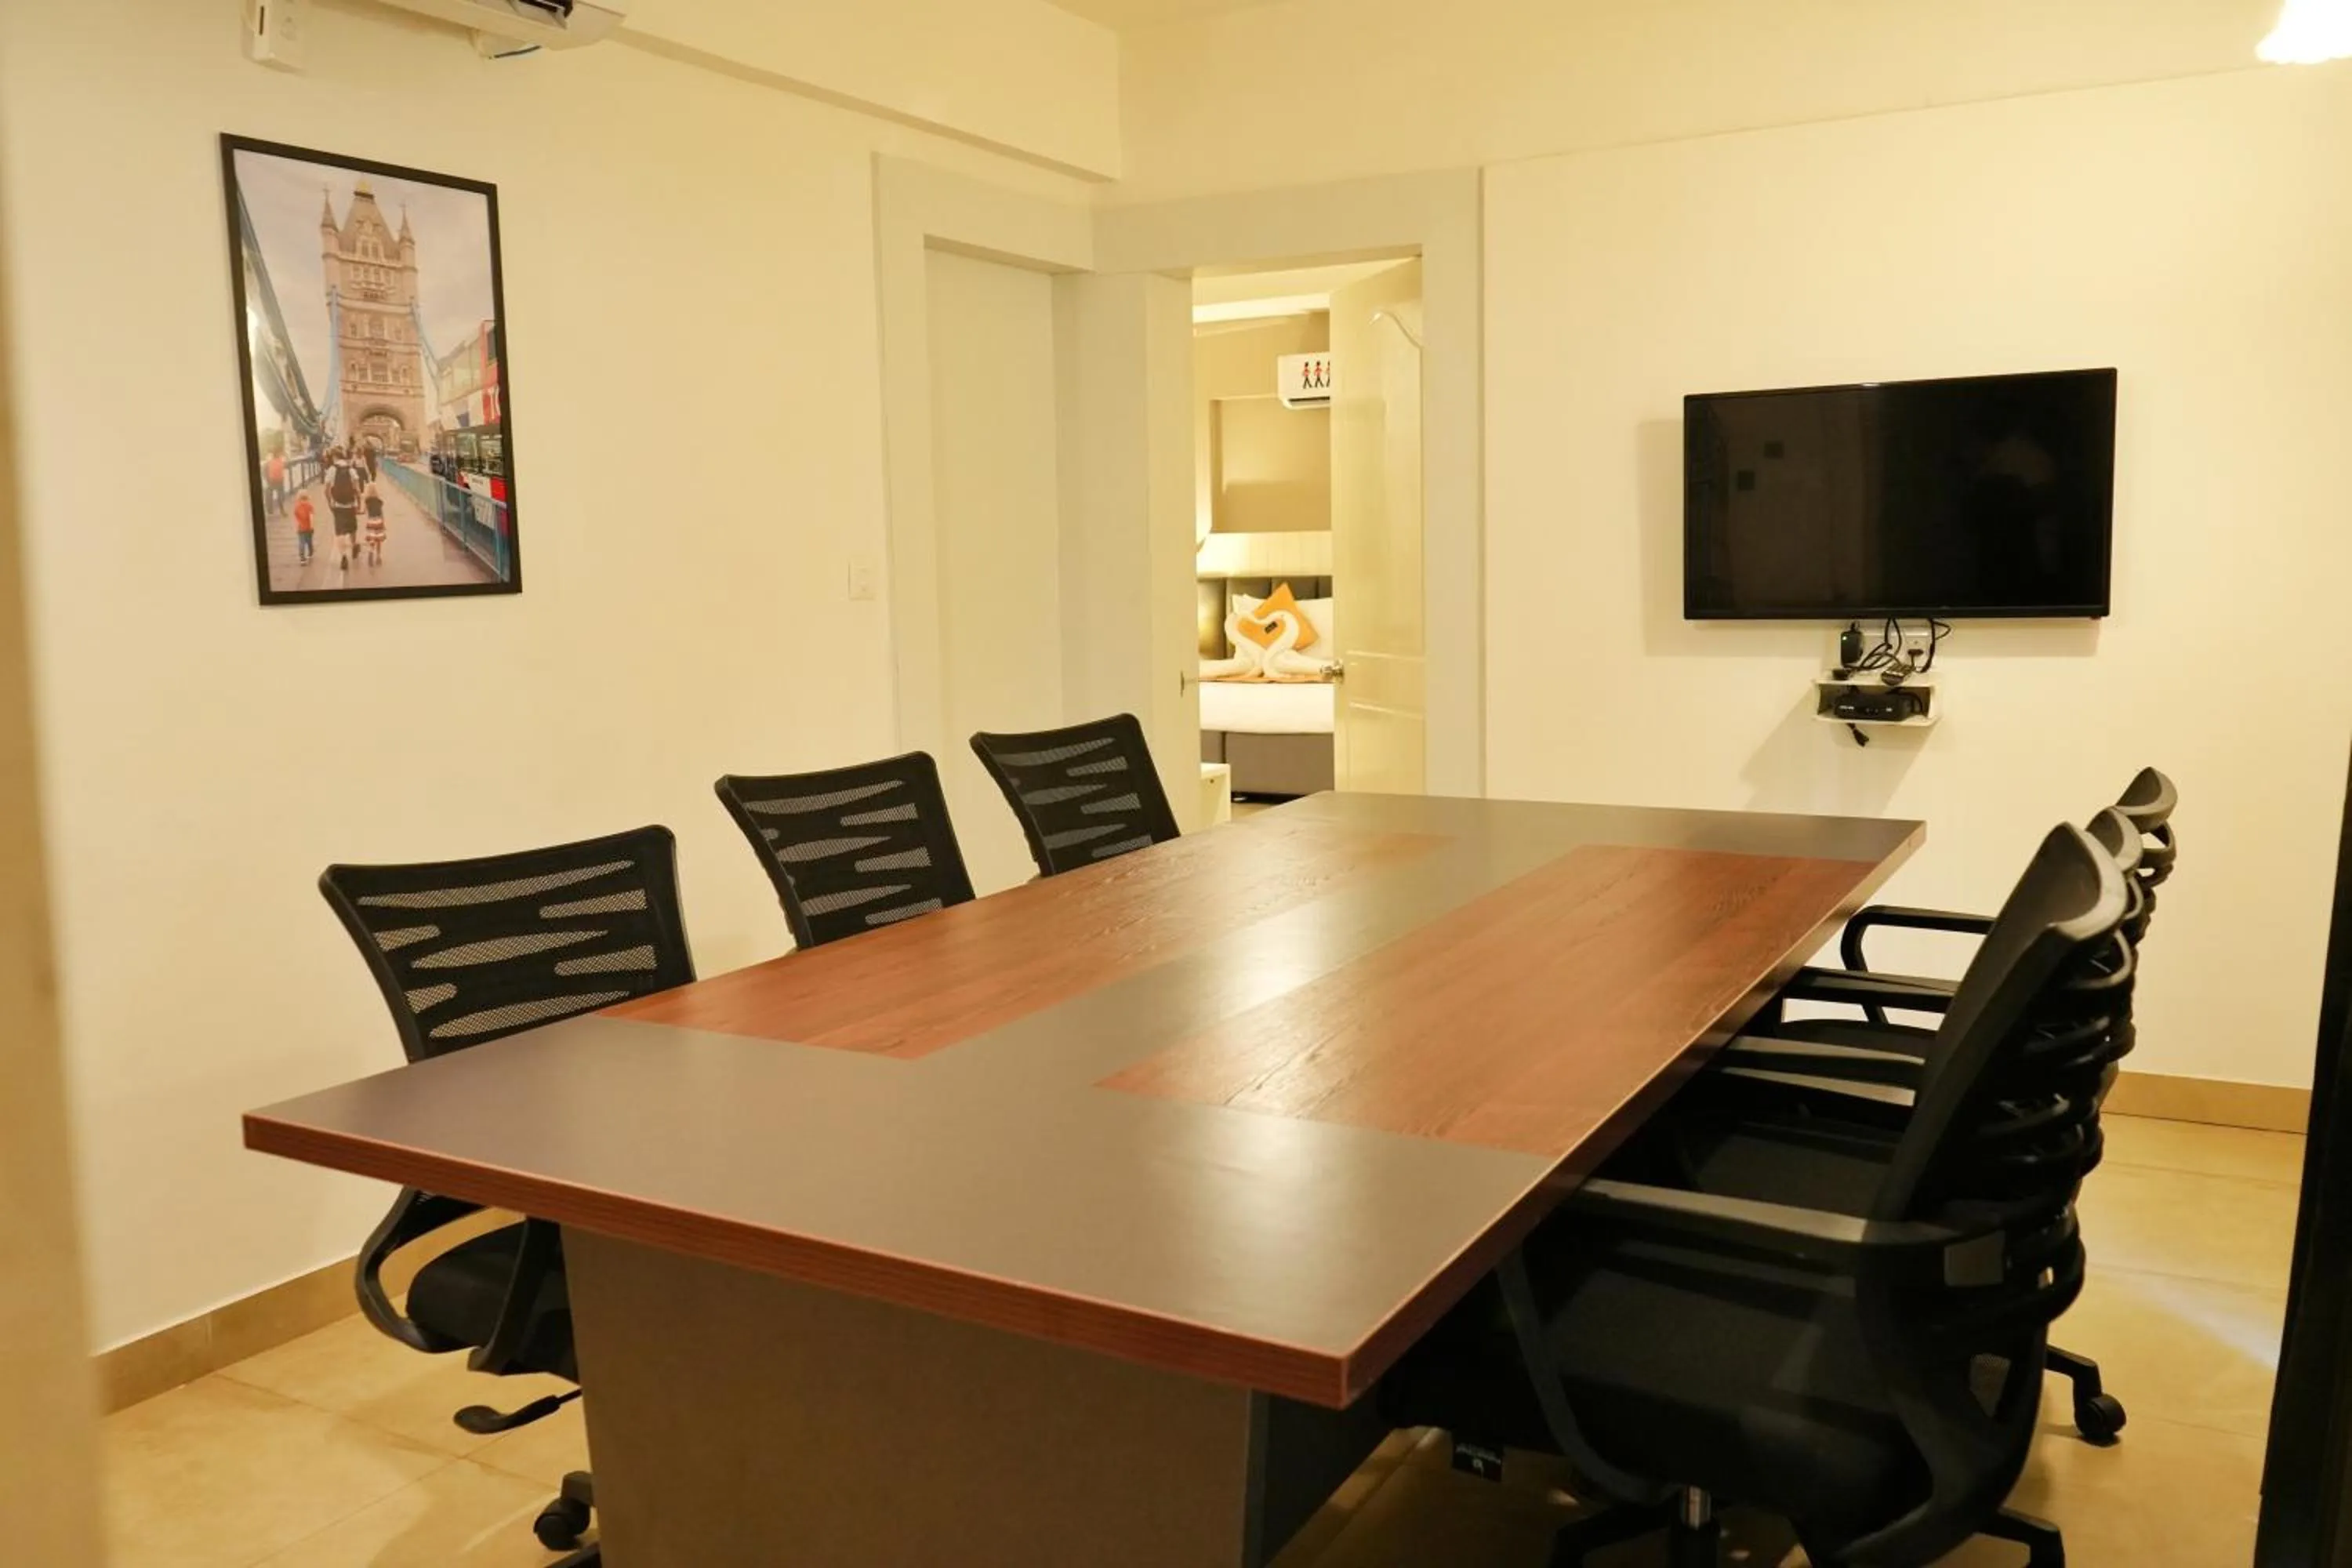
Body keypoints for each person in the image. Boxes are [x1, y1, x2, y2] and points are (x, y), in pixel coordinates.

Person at [323, 447, 365, 573]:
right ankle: (354, 544)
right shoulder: (351, 469)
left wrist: (330, 503)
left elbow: (326, 490)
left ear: (335, 457)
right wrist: (359, 503)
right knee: (352, 528)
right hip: (351, 504)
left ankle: (343, 556)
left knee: (340, 532)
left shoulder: (332, 470)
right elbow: (357, 490)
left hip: (338, 505)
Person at [362, 482, 387, 566]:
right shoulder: (379, 501)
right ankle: (378, 556)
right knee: (379, 540)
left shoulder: (367, 501)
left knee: (372, 539)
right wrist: (383, 523)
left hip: (371, 521)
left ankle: (371, 551)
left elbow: (364, 511)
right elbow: (381, 513)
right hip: (379, 521)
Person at [292, 489, 315, 565]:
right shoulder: (309, 506)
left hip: (300, 529)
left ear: (298, 498)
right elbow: (311, 517)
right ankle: (310, 553)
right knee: (309, 542)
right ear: (307, 497)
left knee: (301, 543)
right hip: (308, 528)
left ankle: (302, 558)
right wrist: (312, 527)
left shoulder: (297, 507)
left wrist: (296, 527)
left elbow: (296, 518)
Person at [265, 449, 286, 517]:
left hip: (272, 481)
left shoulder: (270, 461)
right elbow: (285, 465)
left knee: (268, 493)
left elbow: (265, 469)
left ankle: (270, 510)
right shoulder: (281, 460)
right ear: (278, 454)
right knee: (280, 496)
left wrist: (267, 479)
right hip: (280, 480)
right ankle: (282, 510)